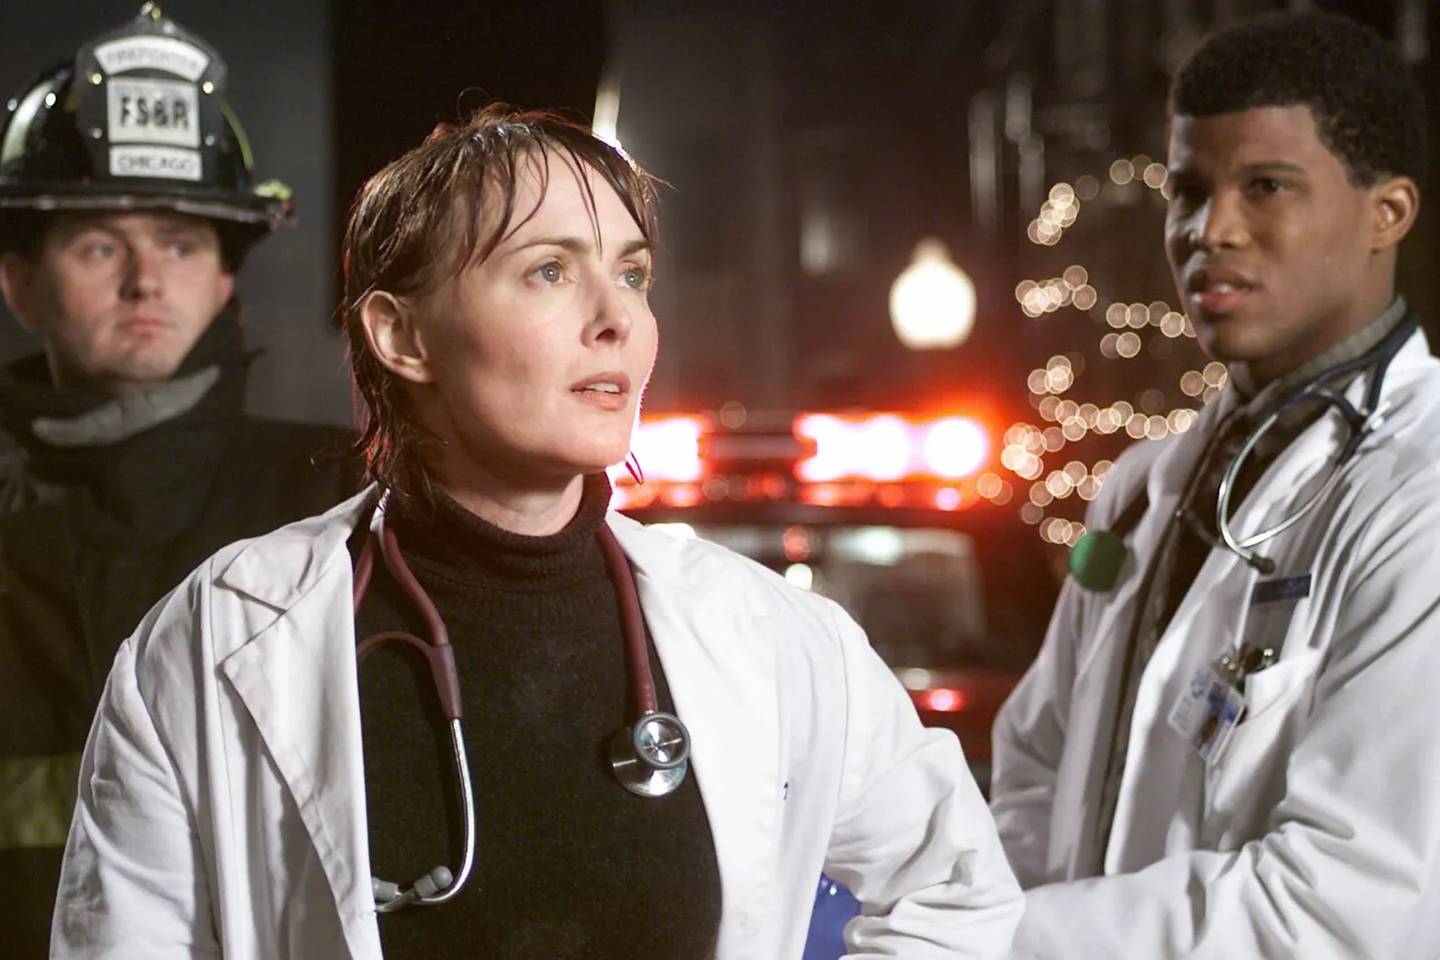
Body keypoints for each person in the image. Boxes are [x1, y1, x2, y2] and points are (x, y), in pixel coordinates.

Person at [49, 104, 1022, 958]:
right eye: (549, 270)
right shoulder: (214, 637)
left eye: (631, 274)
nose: (616, 319)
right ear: (401, 335)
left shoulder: (775, 638)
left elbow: (956, 894)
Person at [989, 10, 1440, 958]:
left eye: (1265, 186)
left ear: (1388, 212)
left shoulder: (1421, 495)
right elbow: (1035, 769)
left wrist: (989, 941)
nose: (1209, 230)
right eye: (1188, 190)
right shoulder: (1141, 488)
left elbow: (1345, 904)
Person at [0, 6, 353, 955]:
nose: (146, 281)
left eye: (182, 244)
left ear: (225, 281)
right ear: (20, 285)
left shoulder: (337, 499)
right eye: (99, 246)